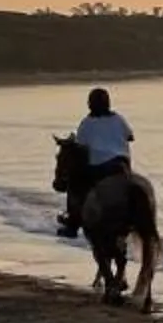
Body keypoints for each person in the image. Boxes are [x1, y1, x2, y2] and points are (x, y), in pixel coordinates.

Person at [60, 87, 133, 237]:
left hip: (100, 166)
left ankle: (72, 224)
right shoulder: (118, 118)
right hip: (122, 164)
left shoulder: (87, 122)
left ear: (91, 104)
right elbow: (130, 136)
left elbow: (80, 146)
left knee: (75, 184)